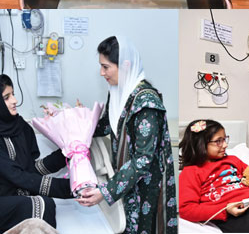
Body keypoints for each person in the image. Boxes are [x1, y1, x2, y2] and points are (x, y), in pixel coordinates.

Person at [76, 36, 178, 234]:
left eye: (106, 67)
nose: (101, 73)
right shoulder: (118, 92)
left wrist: (106, 191)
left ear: (125, 65)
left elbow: (143, 159)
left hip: (148, 186)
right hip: (127, 179)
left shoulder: (146, 102)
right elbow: (106, 126)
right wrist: (76, 118)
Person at [0, 74, 73, 233]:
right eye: (6, 97)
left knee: (44, 202)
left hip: (19, 193)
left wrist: (69, 152)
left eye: (13, 94)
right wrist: (70, 188)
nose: (15, 100)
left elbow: (29, 170)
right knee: (41, 204)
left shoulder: (20, 126)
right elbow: (15, 174)